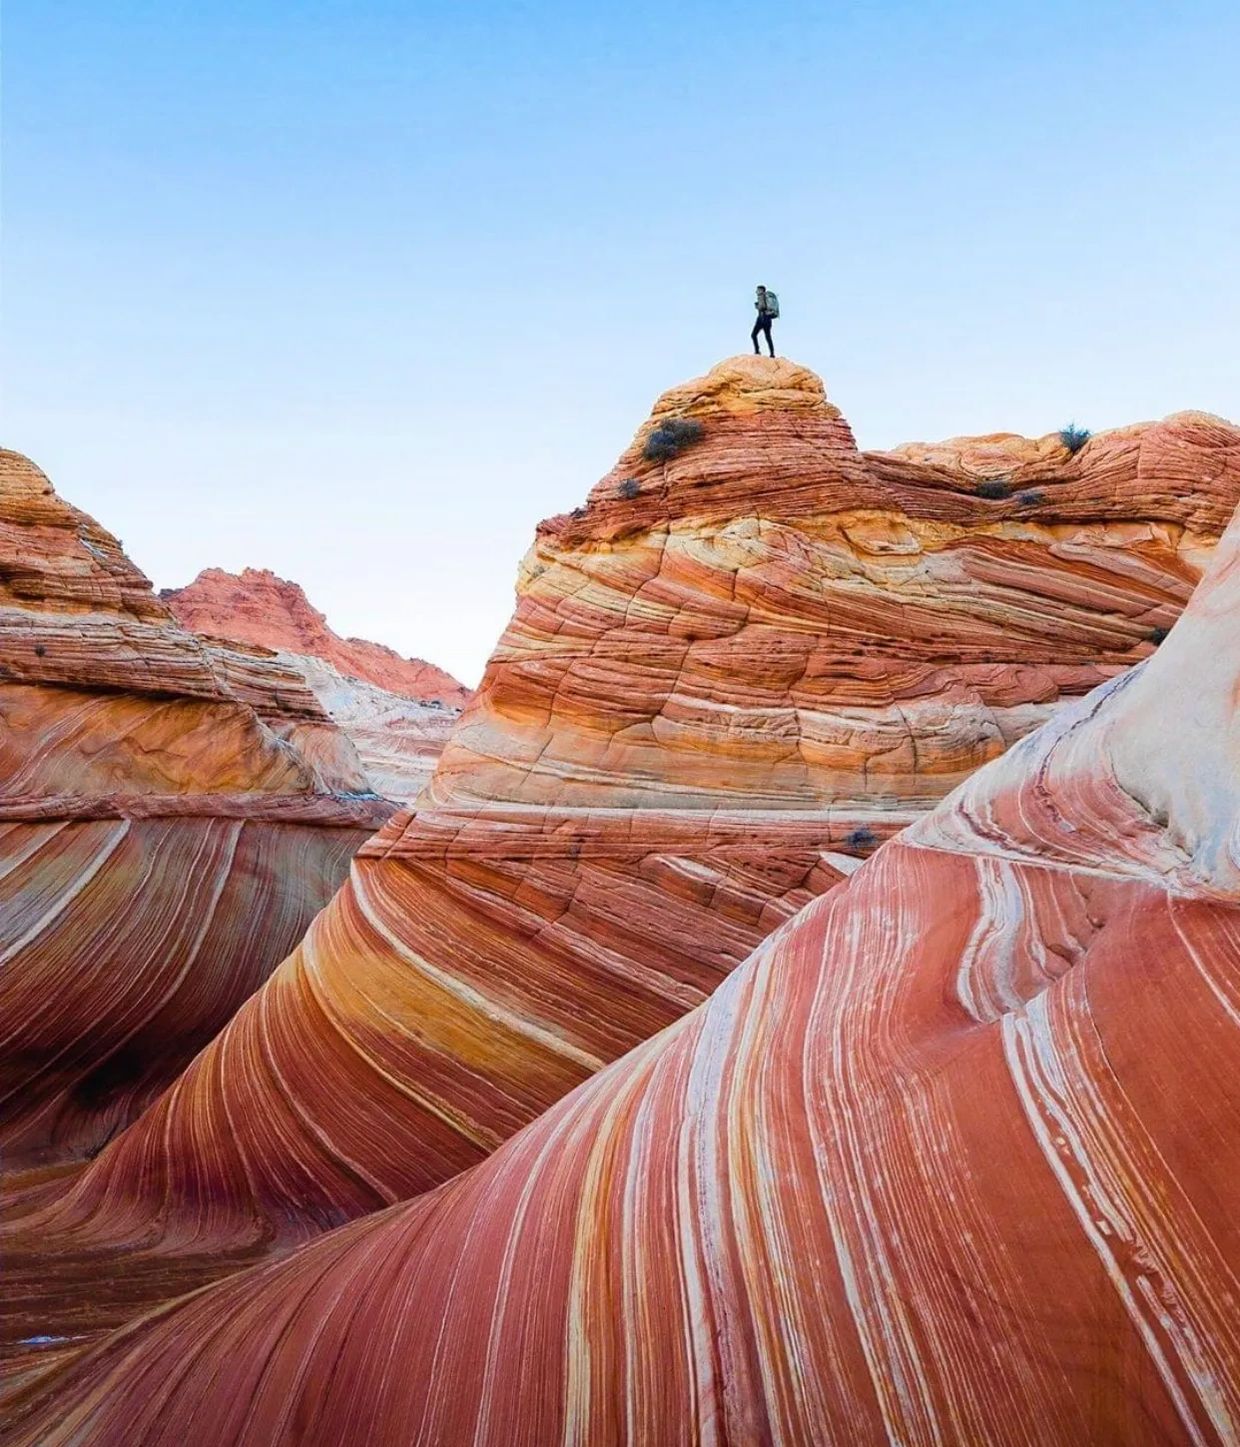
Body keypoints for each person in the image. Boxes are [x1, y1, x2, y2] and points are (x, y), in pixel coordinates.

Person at [751, 285, 776, 357]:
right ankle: (772, 353)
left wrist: (757, 306)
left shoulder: (761, 296)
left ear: (761, 290)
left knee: (753, 335)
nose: (756, 292)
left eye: (757, 290)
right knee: (768, 337)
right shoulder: (767, 297)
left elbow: (762, 307)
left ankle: (757, 351)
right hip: (768, 320)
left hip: (762, 319)